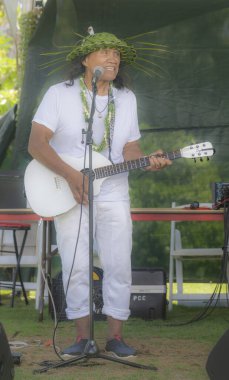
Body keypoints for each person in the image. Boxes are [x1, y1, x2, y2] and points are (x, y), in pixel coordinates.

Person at [28, 30, 172, 358]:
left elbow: (130, 147)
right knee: (76, 263)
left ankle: (116, 337)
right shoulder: (59, 94)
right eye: (105, 53)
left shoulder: (127, 98)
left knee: (119, 262)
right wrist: (71, 175)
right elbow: (36, 144)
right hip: (69, 189)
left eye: (117, 55)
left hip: (114, 189)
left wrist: (147, 161)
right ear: (85, 60)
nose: (113, 59)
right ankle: (83, 338)